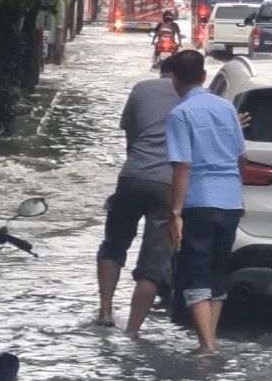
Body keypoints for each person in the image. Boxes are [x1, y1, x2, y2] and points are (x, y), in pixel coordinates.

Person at [165, 50, 247, 353]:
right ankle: (207, 343)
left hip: (199, 201)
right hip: (230, 201)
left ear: (174, 80)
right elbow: (242, 158)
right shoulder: (227, 108)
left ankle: (207, 347)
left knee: (195, 272)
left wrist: (175, 212)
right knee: (217, 272)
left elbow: (182, 166)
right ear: (203, 76)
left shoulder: (179, 115)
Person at [96, 59, 179, 333]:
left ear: (162, 71)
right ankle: (132, 331)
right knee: (152, 264)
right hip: (169, 183)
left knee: (114, 244)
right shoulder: (199, 99)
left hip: (133, 175)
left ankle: (105, 312)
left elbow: (131, 136)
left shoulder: (141, 88)